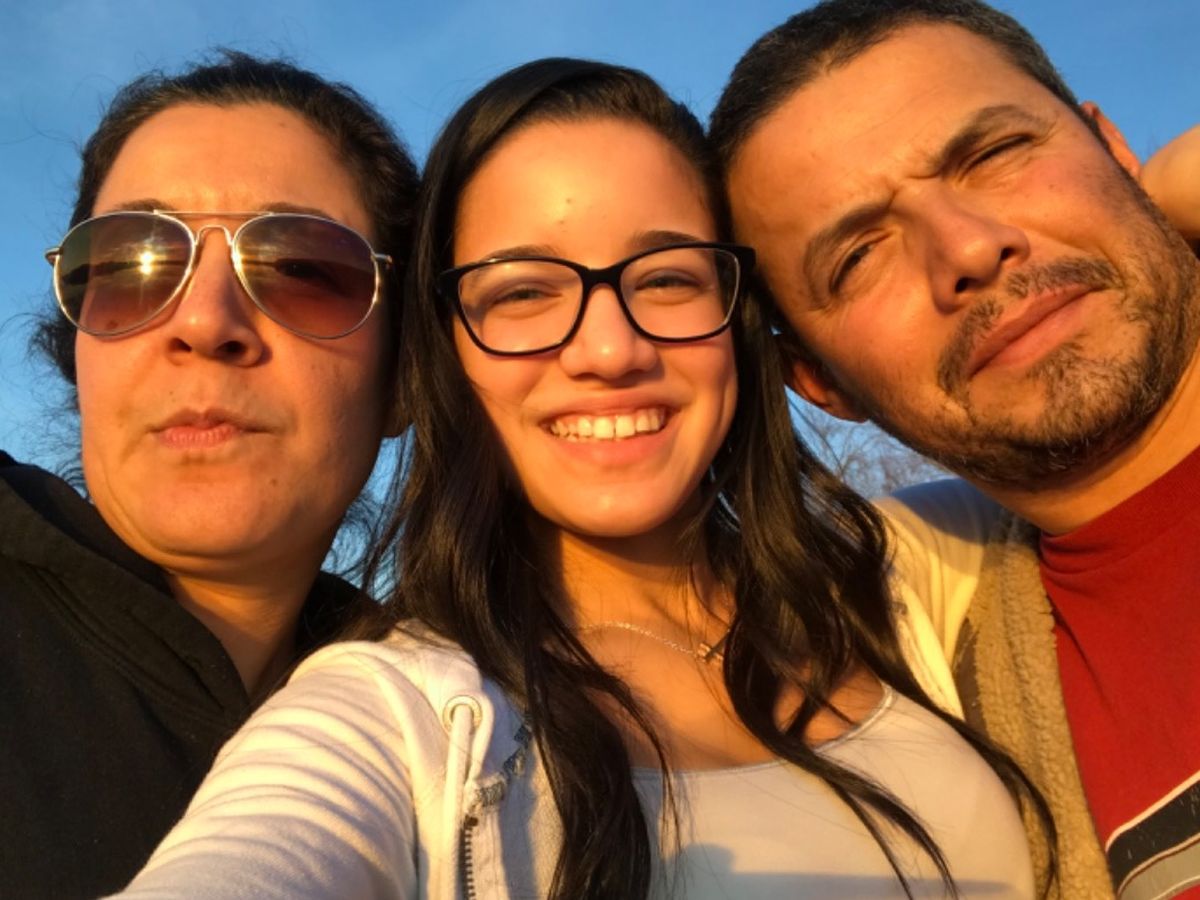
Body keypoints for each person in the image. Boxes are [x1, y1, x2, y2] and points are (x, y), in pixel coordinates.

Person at [114, 58, 1044, 900]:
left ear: (738, 318)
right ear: (443, 354)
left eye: (667, 278)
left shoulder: (919, 572)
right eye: (522, 292)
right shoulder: (397, 712)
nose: (610, 349)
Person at [708, 2, 1200, 897]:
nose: (969, 248)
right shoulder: (949, 698)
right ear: (816, 380)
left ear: (1115, 147)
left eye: (998, 153)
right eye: (857, 256)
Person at [0, 52, 418, 898]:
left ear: (404, 379)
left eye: (303, 269)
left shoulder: (453, 722)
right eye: (130, 266)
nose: (202, 319)